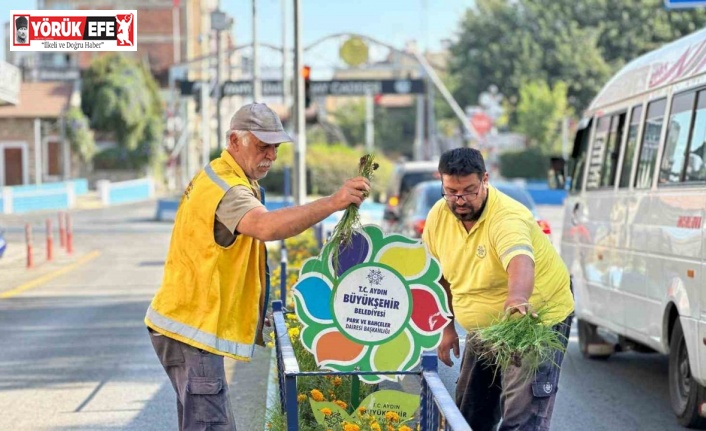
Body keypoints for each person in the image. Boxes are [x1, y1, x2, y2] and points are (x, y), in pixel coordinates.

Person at [145, 103, 370, 431]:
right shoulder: (229, 190)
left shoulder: (224, 176)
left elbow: (221, 259)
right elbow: (266, 227)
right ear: (234, 141)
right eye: (262, 146)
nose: (271, 156)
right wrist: (334, 202)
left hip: (185, 322)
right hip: (191, 328)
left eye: (275, 147)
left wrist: (252, 307)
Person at [423, 147, 574, 431]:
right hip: (487, 323)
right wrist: (447, 327)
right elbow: (438, 275)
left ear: (485, 180)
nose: (460, 200)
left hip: (532, 318)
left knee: (521, 418)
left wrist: (517, 297)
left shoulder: (507, 217)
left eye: (469, 190)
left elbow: (520, 261)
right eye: (451, 191)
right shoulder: (438, 216)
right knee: (469, 414)